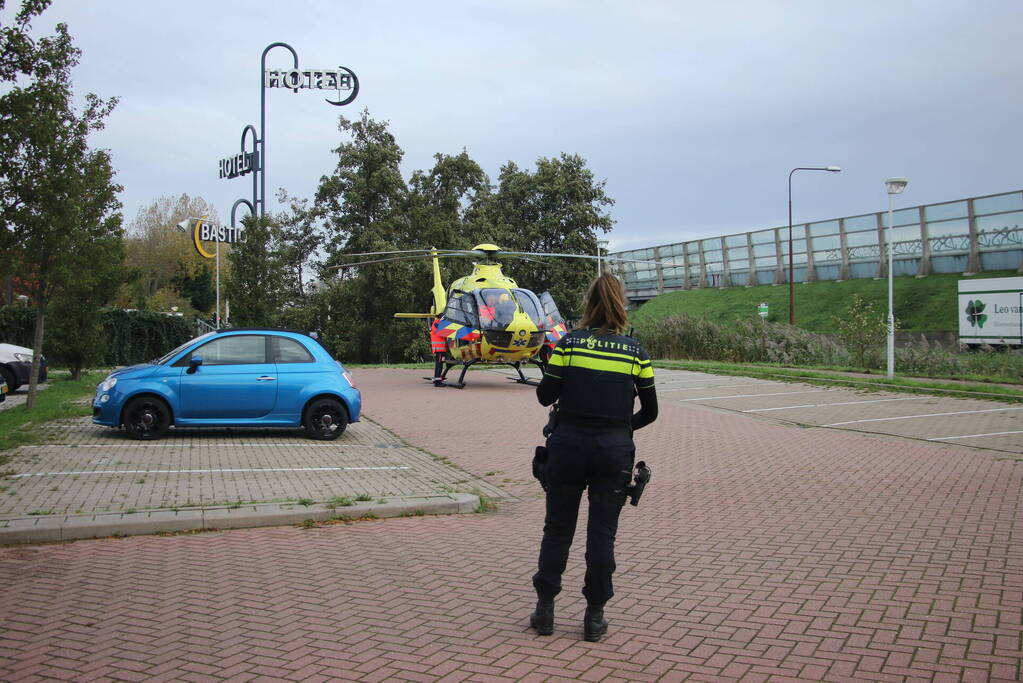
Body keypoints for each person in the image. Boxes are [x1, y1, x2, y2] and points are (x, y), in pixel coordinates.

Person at [529, 273, 658, 641]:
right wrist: (621, 428)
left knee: (557, 530)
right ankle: (594, 617)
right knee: (602, 537)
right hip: (613, 453)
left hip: (567, 447)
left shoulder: (569, 345)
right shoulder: (636, 352)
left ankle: (545, 611)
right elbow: (650, 412)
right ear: (621, 303)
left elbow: (544, 396)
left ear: (589, 303)